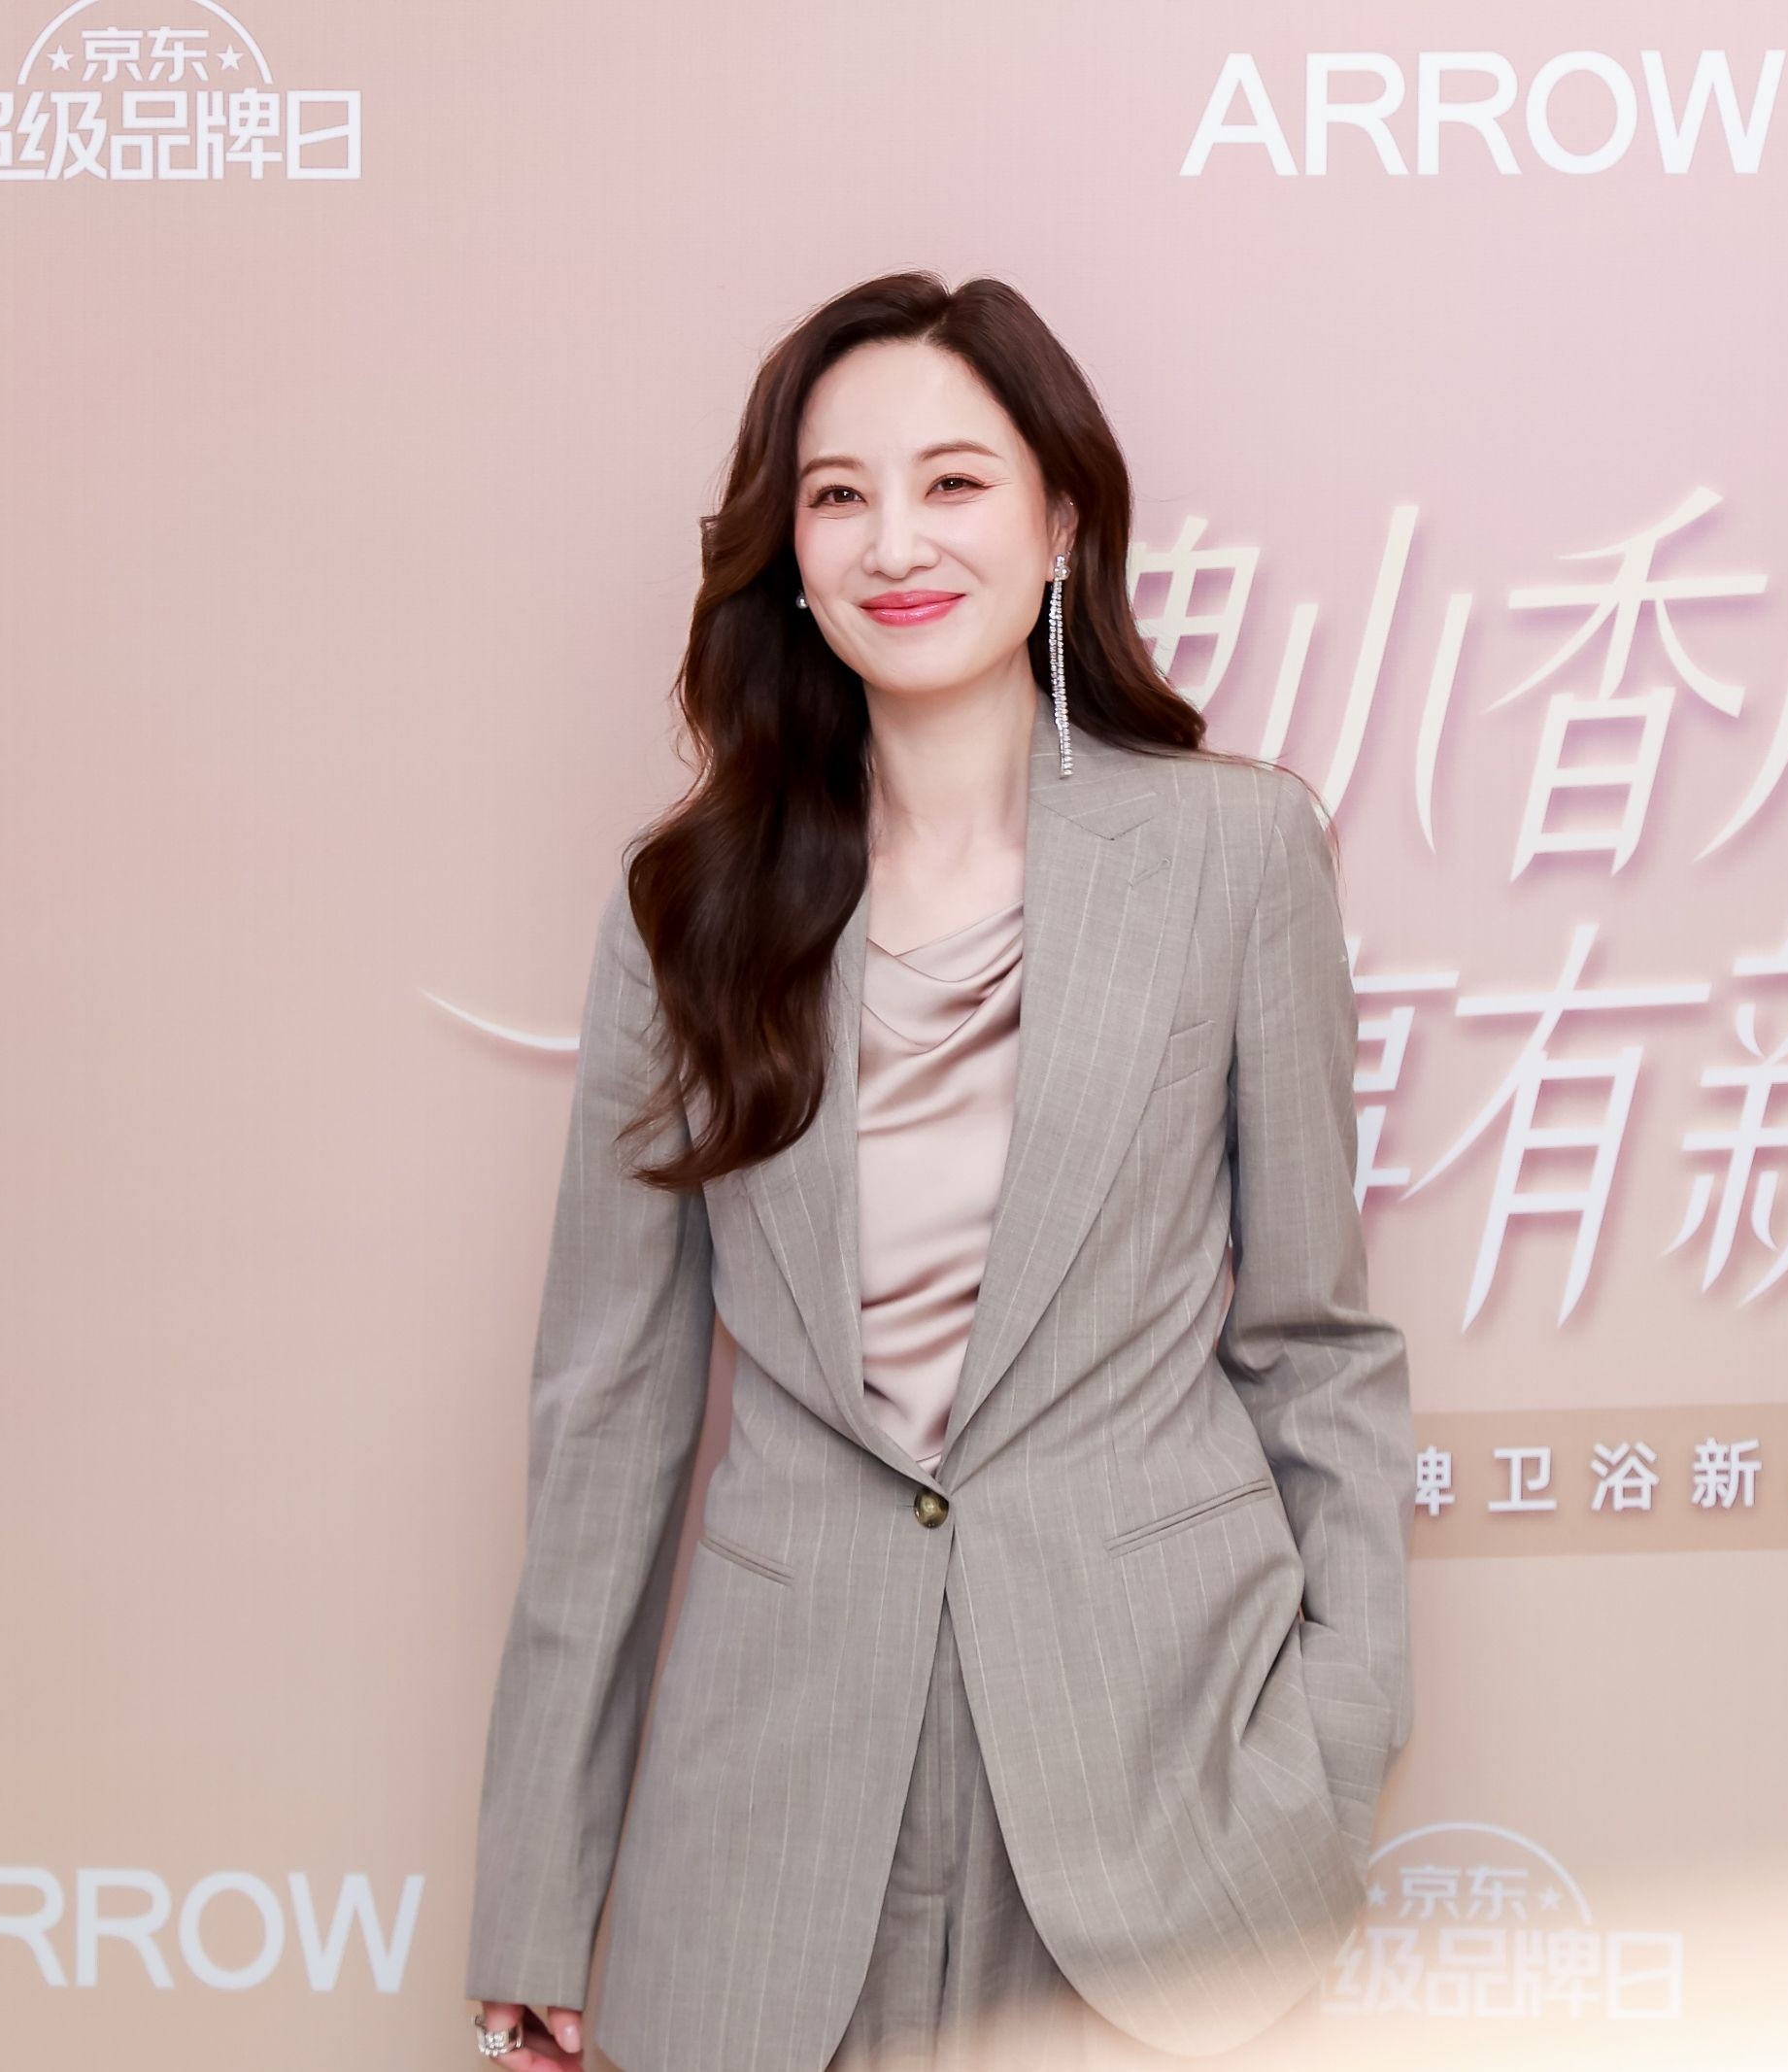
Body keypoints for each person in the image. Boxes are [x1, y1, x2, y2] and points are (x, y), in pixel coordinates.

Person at [466, 272, 1414, 2072]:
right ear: (790, 554)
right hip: (771, 1805)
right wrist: (538, 1882)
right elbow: (608, 1412)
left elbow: (1315, 1345)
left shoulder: (1236, 853)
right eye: (839, 494)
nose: (895, 539)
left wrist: (1334, 1739)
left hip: (1163, 1788)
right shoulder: (688, 909)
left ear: (1060, 524)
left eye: (955, 482)